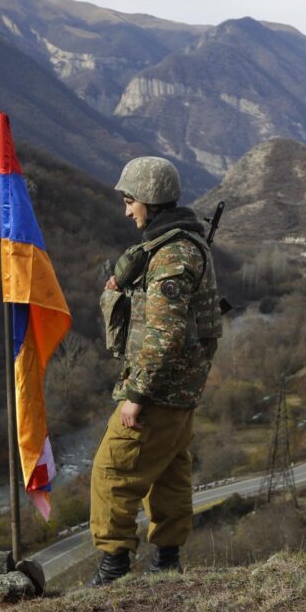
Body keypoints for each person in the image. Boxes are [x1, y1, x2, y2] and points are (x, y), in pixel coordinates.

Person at [88, 157, 222, 586]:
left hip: (158, 391)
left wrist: (137, 394)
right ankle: (166, 564)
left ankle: (113, 571)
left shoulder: (173, 254)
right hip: (178, 390)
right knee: (168, 473)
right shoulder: (176, 245)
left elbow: (165, 333)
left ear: (151, 201)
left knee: (112, 472)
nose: (128, 211)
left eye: (131, 201)